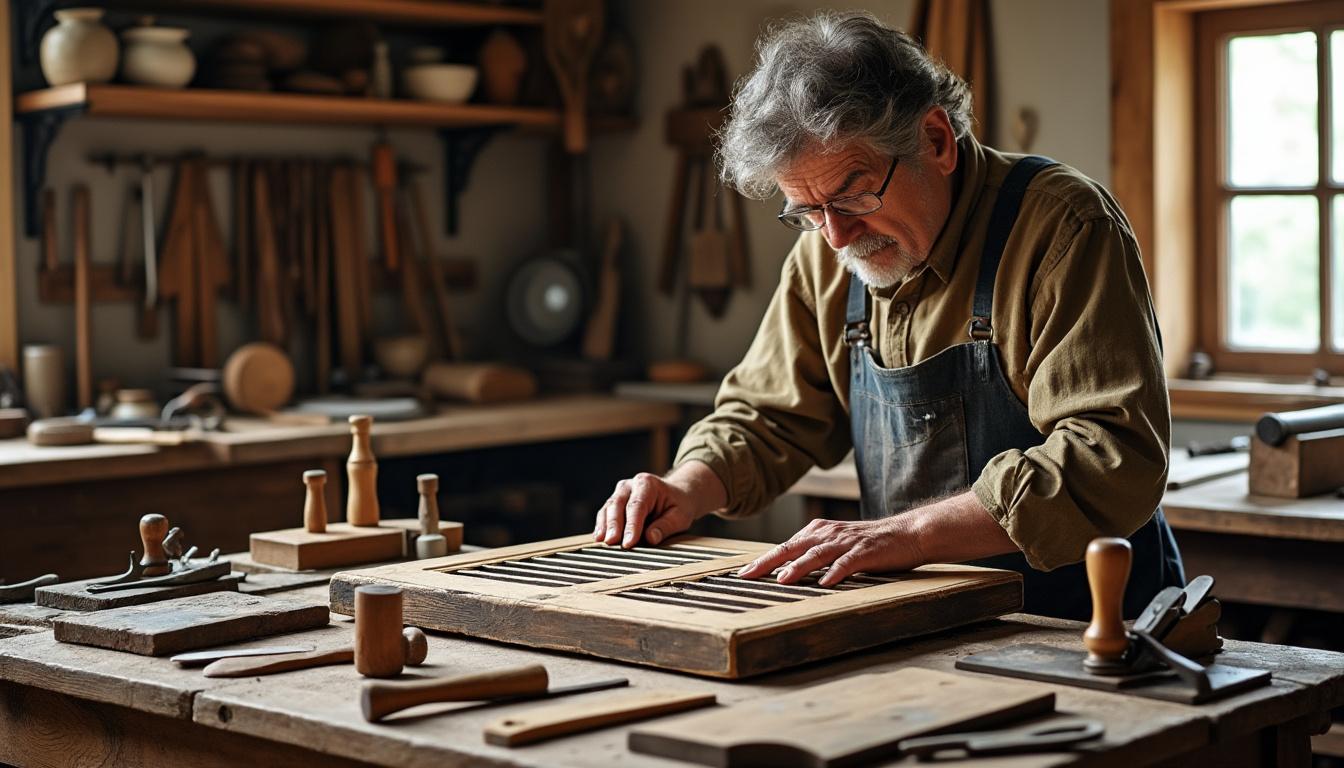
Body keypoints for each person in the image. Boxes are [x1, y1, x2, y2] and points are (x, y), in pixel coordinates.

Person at [594, 10, 1184, 620]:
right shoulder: (828, 254)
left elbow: (1109, 456)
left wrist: (910, 535)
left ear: (936, 140)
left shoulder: (1062, 227)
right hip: (924, 621)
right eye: (808, 211)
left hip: (1087, 624)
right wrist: (687, 486)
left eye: (853, 195)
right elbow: (770, 417)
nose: (836, 235)